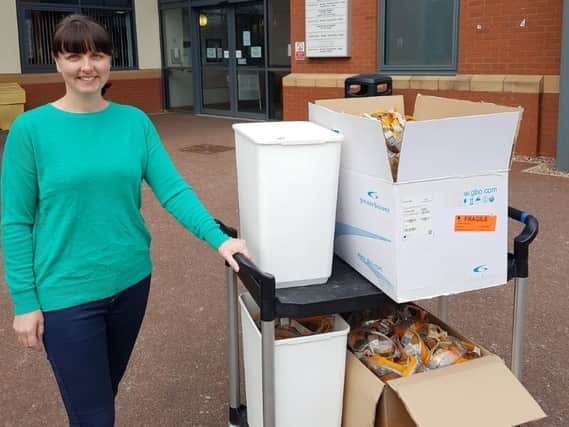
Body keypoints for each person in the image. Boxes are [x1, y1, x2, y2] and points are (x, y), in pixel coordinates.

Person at [1, 14, 249, 426]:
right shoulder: (30, 130)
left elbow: (173, 190)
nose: (87, 66)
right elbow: (15, 222)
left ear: (110, 62)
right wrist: (25, 302)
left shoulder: (134, 122)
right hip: (66, 295)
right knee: (94, 416)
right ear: (57, 61)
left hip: (131, 282)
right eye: (75, 55)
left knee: (103, 397)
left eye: (98, 55)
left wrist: (218, 239)